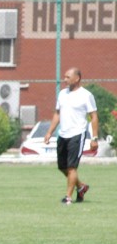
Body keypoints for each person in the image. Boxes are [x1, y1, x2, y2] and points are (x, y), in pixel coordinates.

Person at [44, 67, 99, 205]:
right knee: (62, 167)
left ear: (77, 78)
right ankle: (81, 187)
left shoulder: (86, 95)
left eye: (68, 77)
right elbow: (57, 114)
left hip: (77, 134)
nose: (65, 79)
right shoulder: (62, 94)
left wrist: (94, 138)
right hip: (63, 134)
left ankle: (68, 197)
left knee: (71, 167)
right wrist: (49, 132)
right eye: (64, 77)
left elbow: (93, 116)